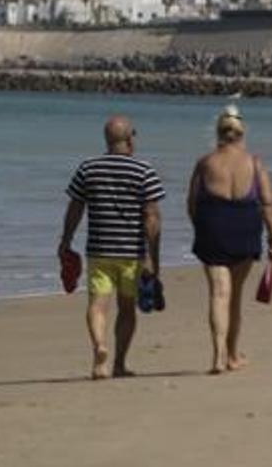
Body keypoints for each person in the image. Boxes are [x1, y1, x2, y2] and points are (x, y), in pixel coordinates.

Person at [58, 115, 165, 380]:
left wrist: (66, 240)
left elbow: (75, 207)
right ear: (129, 140)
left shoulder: (88, 168)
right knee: (126, 309)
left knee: (97, 305)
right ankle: (118, 363)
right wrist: (153, 257)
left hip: (99, 250)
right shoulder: (143, 170)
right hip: (131, 254)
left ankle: (99, 350)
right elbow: (152, 216)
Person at [187, 106, 272, 374]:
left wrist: (202, 229)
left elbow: (192, 203)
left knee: (219, 293)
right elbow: (267, 203)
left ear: (218, 133)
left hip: (213, 229)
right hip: (245, 230)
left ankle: (218, 357)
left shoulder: (205, 162)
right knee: (235, 296)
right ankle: (232, 355)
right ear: (242, 133)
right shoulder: (255, 163)